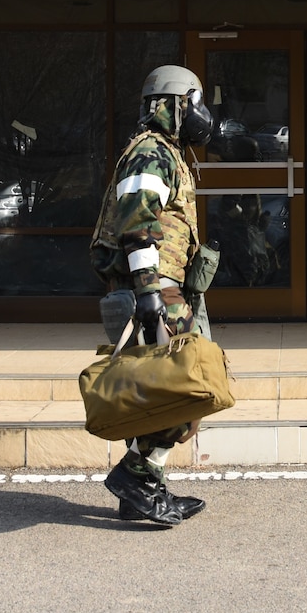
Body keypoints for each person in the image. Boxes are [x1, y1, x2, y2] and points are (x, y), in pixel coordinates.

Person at [89, 66, 217, 526]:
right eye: (196, 103)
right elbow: (136, 226)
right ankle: (135, 480)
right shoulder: (150, 154)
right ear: (176, 104)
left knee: (162, 394)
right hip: (152, 292)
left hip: (162, 289)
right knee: (181, 390)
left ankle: (145, 491)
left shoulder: (167, 153)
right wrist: (150, 301)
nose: (203, 115)